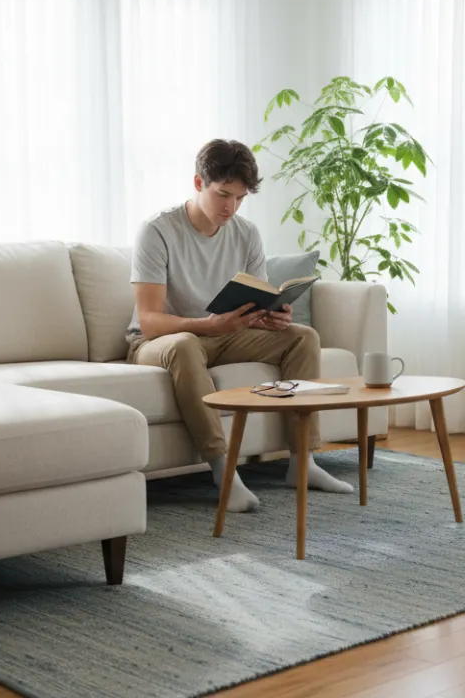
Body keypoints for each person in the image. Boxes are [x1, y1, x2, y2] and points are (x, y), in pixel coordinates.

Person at [125, 139, 354, 512]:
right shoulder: (158, 231)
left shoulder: (246, 233)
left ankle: (302, 462)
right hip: (159, 341)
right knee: (184, 344)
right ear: (199, 183)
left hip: (225, 333)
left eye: (240, 198)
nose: (230, 207)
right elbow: (149, 321)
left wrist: (273, 316)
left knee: (302, 338)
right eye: (223, 194)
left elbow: (255, 301)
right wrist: (209, 326)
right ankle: (224, 471)